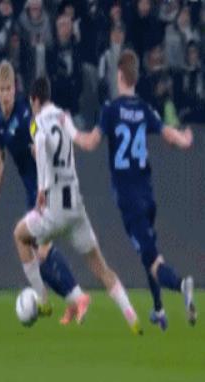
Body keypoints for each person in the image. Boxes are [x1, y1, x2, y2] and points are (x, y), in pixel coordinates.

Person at [68, 49, 196, 330]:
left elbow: (90, 143)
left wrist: (69, 130)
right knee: (148, 251)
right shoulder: (144, 109)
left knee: (152, 259)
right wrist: (185, 140)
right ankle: (159, 309)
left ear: (119, 76)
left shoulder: (111, 110)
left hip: (129, 198)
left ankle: (181, 285)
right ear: (136, 77)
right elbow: (168, 135)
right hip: (147, 194)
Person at [14, 76, 142, 335]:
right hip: (75, 207)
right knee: (100, 268)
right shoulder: (63, 117)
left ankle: (43, 299)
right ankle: (131, 316)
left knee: (20, 235)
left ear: (35, 100)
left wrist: (41, 189)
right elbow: (79, 141)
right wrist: (92, 139)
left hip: (53, 209)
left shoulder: (36, 123)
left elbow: (42, 145)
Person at [0, 61, 90, 325]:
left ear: (15, 89)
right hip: (33, 191)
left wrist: (37, 151)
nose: (5, 95)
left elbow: (41, 138)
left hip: (44, 189)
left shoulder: (25, 114)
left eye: (9, 89)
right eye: (1, 90)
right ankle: (69, 300)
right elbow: (1, 161)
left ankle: (71, 298)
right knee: (37, 252)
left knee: (39, 251)